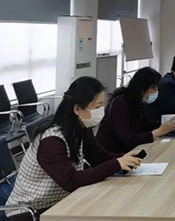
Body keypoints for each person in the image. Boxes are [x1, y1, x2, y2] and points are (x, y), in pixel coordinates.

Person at [6, 77, 142, 220]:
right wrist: (117, 164)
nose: (101, 111)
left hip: (59, 202)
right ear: (77, 109)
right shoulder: (51, 140)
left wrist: (125, 158)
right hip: (30, 212)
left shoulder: (81, 127)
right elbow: (71, 181)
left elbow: (97, 156)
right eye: (97, 107)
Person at [96, 67, 175, 154]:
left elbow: (145, 125)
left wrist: (167, 125)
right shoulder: (120, 104)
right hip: (113, 154)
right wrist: (158, 132)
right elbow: (129, 140)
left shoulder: (138, 102)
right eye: (153, 88)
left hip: (129, 151)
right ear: (142, 88)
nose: (156, 91)